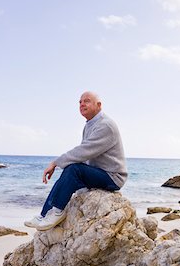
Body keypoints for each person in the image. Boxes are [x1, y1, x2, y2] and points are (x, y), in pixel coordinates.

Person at [25, 91, 127, 231]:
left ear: (99, 105)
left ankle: (57, 211)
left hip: (112, 177)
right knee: (69, 171)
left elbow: (84, 151)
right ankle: (45, 214)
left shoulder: (105, 125)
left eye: (87, 101)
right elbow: (84, 156)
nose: (82, 104)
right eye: (80, 102)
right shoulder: (89, 125)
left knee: (73, 169)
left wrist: (55, 162)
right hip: (98, 173)